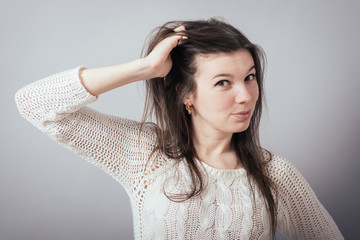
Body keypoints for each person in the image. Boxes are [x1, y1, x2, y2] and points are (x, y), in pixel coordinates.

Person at [15, 18, 343, 240]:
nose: (245, 95)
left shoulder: (275, 174)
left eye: (250, 77)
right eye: (223, 82)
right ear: (186, 95)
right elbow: (35, 103)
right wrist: (146, 68)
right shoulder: (145, 155)